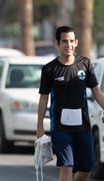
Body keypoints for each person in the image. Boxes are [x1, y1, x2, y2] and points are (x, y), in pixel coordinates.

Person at [37, 25, 104, 181]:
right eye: (64, 41)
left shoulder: (85, 64)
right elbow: (43, 98)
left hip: (83, 126)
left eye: (71, 41)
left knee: (86, 169)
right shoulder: (49, 69)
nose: (68, 45)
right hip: (60, 127)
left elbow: (97, 91)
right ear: (57, 44)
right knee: (67, 166)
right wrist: (40, 127)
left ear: (76, 43)